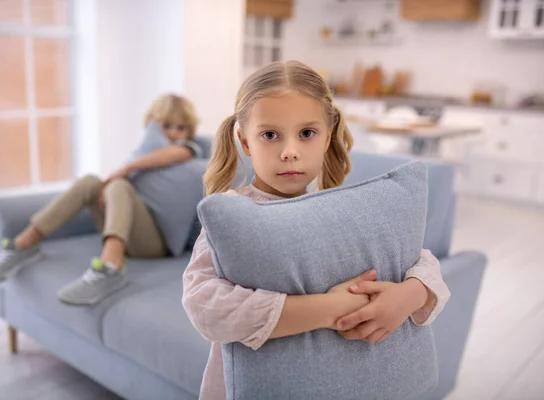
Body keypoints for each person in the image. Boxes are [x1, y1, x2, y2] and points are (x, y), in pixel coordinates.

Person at [181, 61, 451, 399]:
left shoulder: (342, 208)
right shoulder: (234, 215)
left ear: (326, 137)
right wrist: (332, 309)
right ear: (245, 142)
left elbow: (417, 258)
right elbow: (206, 306)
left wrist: (410, 294)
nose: (290, 152)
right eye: (270, 135)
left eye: (306, 133)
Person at [0, 94, 203, 306]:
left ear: (190, 131)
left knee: (118, 183)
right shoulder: (143, 152)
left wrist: (126, 168)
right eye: (166, 126)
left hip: (154, 244)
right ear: (153, 126)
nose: (174, 133)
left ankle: (110, 267)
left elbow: (178, 153)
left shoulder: (189, 149)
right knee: (90, 181)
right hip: (129, 231)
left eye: (181, 128)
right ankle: (24, 243)